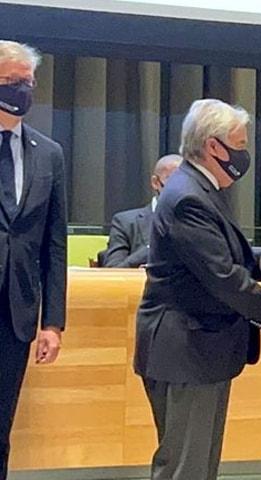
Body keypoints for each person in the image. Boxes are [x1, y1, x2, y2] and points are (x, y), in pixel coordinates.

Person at [133, 99, 261, 480]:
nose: (245, 154)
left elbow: (218, 255)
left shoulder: (198, 188)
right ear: (214, 146)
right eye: (240, 144)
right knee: (185, 468)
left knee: (199, 466)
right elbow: (221, 276)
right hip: (186, 349)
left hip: (200, 349)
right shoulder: (188, 197)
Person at [0, 41, 67, 480]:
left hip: (16, 313)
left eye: (29, 82)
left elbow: (54, 245)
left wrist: (53, 323)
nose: (23, 90)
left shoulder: (49, 153)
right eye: (12, 82)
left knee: (0, 428)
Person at [101, 154, 181, 267]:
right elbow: (113, 270)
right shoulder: (125, 223)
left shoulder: (199, 220)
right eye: (173, 180)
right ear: (155, 183)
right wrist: (152, 248)